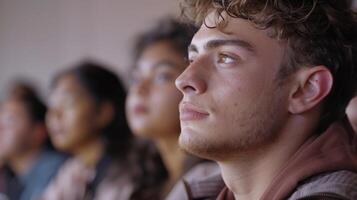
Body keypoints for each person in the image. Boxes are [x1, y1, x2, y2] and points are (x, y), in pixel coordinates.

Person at [174, 0, 357, 199]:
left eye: (226, 57)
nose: (183, 80)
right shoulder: (198, 190)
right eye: (192, 59)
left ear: (306, 90)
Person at [126, 18, 221, 199]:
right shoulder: (147, 180)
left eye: (162, 76)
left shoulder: (211, 183)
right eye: (135, 78)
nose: (139, 89)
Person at [42, 60, 165, 200]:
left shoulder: (136, 168)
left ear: (103, 112)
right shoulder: (73, 171)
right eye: (51, 105)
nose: (54, 115)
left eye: (67, 102)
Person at [0, 82, 67, 200]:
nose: (1, 127)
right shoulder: (12, 177)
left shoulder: (57, 173)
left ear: (38, 131)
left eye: (9, 120)